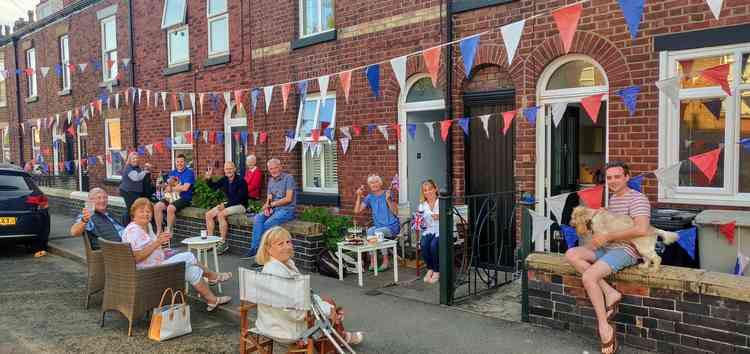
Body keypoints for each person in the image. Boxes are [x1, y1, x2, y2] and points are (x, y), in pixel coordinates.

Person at [564, 161, 651, 354]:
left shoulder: (638, 199)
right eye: (609, 177)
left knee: (589, 277)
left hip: (627, 250)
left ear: (627, 177)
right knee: (571, 253)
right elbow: (615, 224)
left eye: (617, 176)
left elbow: (641, 229)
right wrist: (601, 216)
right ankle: (610, 292)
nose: (612, 181)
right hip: (608, 247)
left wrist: (608, 236)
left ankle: (604, 327)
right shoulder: (612, 198)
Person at [256, 226, 363, 345]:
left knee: (328, 302)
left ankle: (339, 336)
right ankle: (339, 338)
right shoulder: (278, 274)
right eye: (280, 244)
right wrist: (328, 310)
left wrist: (325, 306)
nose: (287, 246)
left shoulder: (278, 265)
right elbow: (295, 312)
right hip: (286, 327)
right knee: (328, 308)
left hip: (271, 321)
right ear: (268, 249)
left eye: (288, 242)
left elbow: (303, 295)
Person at [121, 198, 232, 311]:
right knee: (188, 256)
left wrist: (163, 250)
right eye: (142, 211)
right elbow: (136, 258)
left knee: (192, 270)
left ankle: (212, 300)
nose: (146, 214)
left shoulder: (147, 226)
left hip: (157, 265)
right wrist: (158, 242)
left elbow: (151, 247)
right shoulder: (133, 231)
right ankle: (212, 276)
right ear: (133, 212)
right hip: (148, 273)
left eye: (148, 211)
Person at [246, 158, 296, 258]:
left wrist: (271, 205)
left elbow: (288, 199)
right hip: (273, 209)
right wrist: (267, 207)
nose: (273, 171)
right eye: (271, 169)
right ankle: (254, 249)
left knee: (267, 224)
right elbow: (269, 198)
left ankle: (263, 256)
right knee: (258, 218)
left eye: (276, 168)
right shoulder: (271, 180)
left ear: (280, 167)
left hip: (286, 210)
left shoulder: (288, 178)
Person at [354, 175, 400, 272]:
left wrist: (388, 199)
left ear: (380, 183)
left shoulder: (388, 193)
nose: (374, 184)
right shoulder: (369, 197)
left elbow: (395, 212)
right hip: (379, 226)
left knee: (377, 232)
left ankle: (385, 262)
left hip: (391, 226)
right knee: (370, 231)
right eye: (371, 183)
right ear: (369, 185)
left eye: (376, 182)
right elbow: (357, 211)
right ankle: (373, 261)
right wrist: (358, 196)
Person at [205, 161, 248, 254]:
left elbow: (239, 198)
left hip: (240, 205)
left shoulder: (241, 181)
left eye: (230, 168)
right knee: (208, 215)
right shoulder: (225, 179)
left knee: (221, 214)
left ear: (234, 169)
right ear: (224, 170)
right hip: (229, 204)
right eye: (226, 169)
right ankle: (210, 241)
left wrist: (225, 205)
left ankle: (223, 242)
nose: (228, 170)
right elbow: (214, 186)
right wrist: (209, 178)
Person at [154, 154, 195, 236]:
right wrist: (162, 186)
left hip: (184, 197)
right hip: (171, 196)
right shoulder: (172, 172)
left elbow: (185, 188)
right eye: (178, 161)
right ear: (175, 162)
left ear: (185, 162)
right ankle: (159, 231)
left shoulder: (189, 173)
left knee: (170, 208)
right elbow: (167, 186)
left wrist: (172, 188)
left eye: (182, 162)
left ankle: (169, 231)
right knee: (157, 206)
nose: (180, 163)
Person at [119, 152, 152, 224]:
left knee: (132, 209)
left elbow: (142, 177)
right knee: (131, 209)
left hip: (135, 192)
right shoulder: (128, 168)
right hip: (128, 191)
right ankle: (126, 225)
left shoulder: (137, 168)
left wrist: (146, 170)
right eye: (133, 158)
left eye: (137, 158)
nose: (135, 160)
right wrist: (145, 171)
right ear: (130, 160)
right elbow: (136, 178)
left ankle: (127, 223)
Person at [417, 180, 440, 284]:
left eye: (430, 189)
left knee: (434, 245)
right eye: (425, 190)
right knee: (424, 244)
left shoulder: (442, 201)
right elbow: (421, 223)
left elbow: (451, 216)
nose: (428, 192)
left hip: (442, 230)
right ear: (424, 193)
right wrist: (420, 221)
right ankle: (430, 268)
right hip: (429, 230)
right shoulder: (422, 205)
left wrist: (440, 216)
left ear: (435, 189)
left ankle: (437, 271)